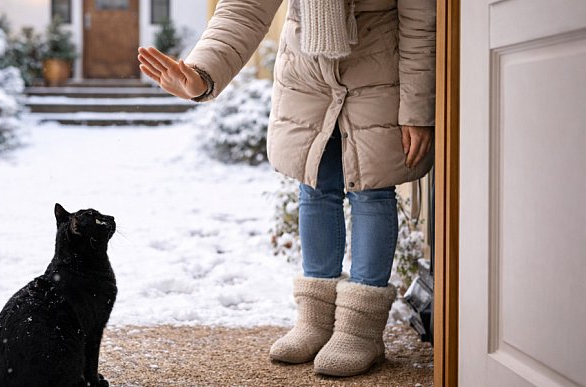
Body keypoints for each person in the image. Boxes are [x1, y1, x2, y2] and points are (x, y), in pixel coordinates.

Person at [138, 0, 435, 378]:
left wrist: (418, 108)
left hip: (379, 70)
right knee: (315, 186)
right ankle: (315, 322)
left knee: (371, 190)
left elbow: (421, 19)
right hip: (306, 73)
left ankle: (360, 331)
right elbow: (245, 8)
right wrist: (202, 72)